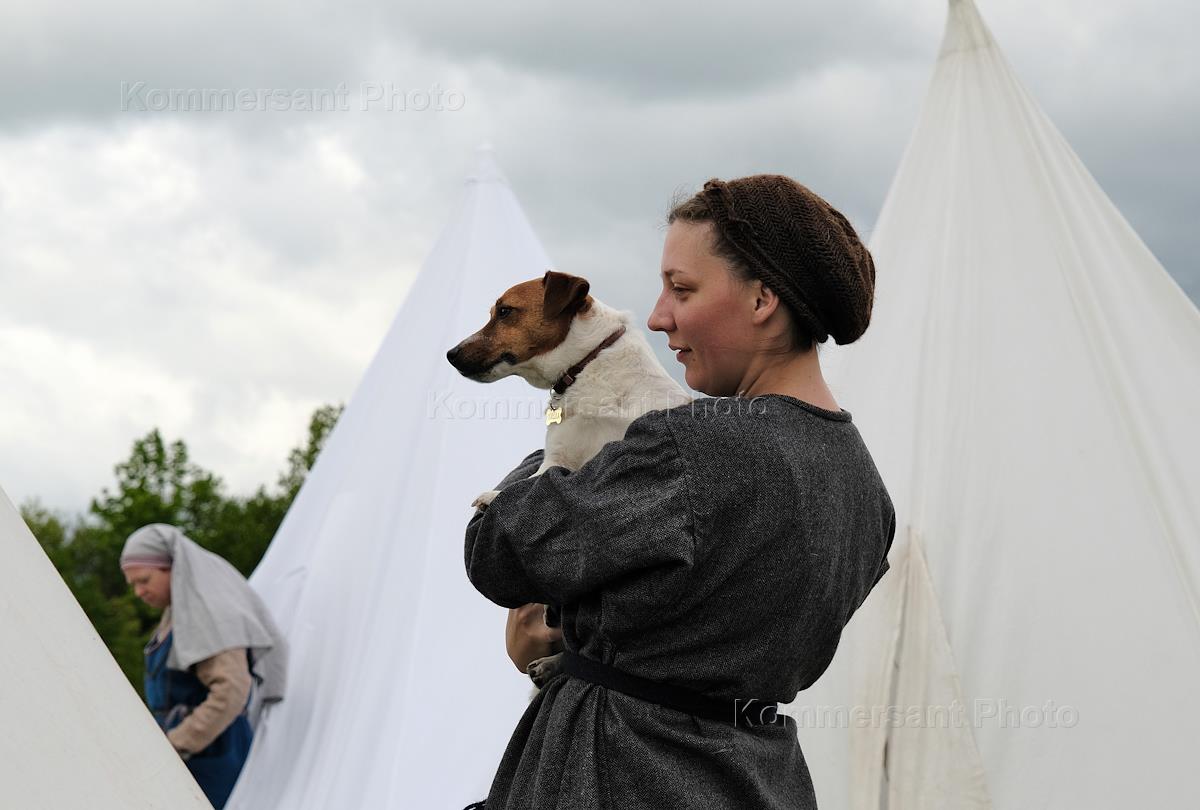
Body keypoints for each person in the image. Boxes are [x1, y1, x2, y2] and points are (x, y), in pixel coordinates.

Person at [463, 174, 896, 809]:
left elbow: (496, 549)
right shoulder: (866, 489)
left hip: (615, 772)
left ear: (762, 301)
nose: (658, 316)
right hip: (760, 779)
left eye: (681, 288)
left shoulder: (689, 446)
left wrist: (565, 424)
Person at [120, 523, 287, 809]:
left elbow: (232, 690)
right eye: (133, 584)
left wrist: (177, 743)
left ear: (173, 569)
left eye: (144, 580)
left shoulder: (209, 615)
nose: (139, 592)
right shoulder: (177, 615)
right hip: (184, 756)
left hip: (212, 759)